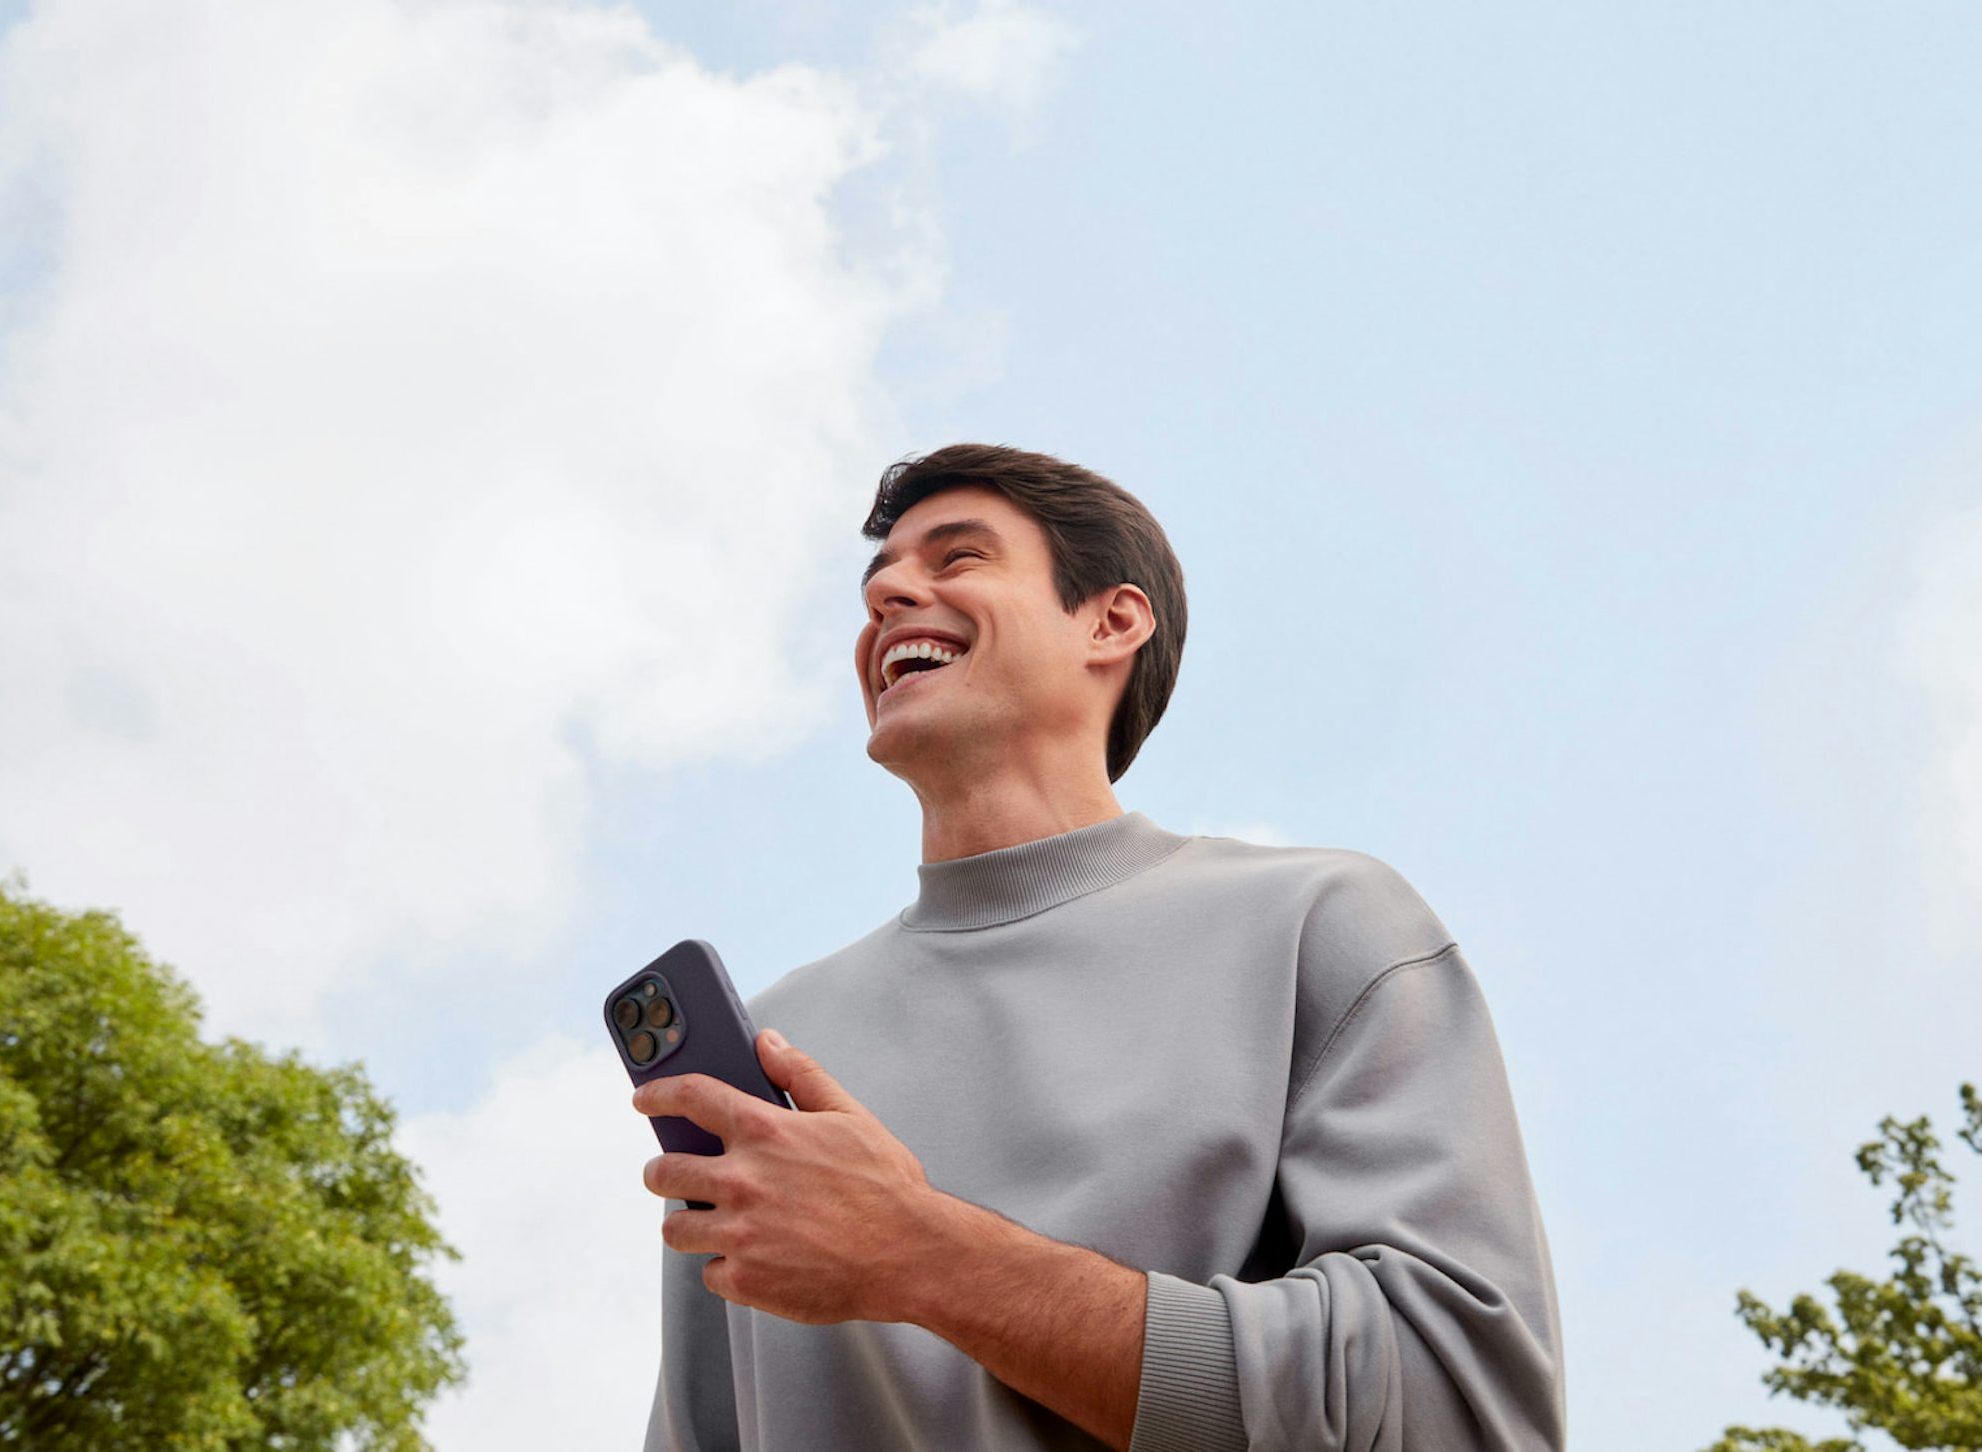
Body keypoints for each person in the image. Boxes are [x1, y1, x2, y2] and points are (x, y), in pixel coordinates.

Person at [634, 444, 1567, 1451]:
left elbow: (1451, 1408)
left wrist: (920, 1253)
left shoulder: (1316, 927)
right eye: (879, 583)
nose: (891, 595)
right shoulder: (776, 1051)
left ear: (1111, 621)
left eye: (956, 560)